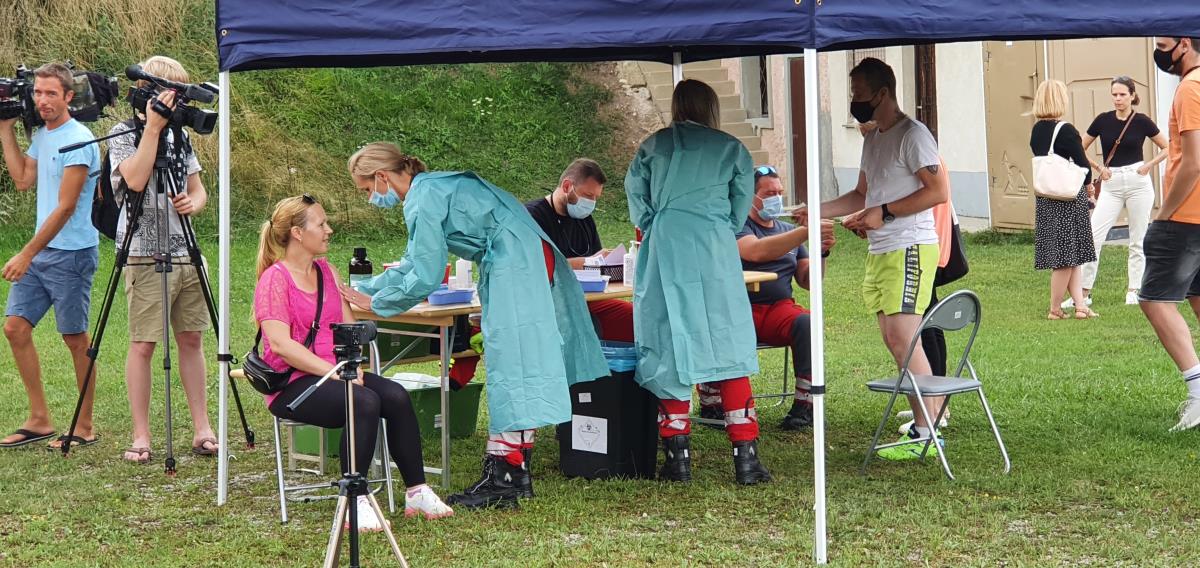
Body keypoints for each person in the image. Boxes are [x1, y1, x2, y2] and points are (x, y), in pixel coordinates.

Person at [339, 143, 608, 509]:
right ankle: (515, 473)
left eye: (367, 188)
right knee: (519, 360)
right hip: (522, 253)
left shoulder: (422, 199)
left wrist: (378, 304)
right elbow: (413, 262)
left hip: (515, 260)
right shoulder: (431, 187)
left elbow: (427, 273)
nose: (370, 197)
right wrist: (366, 288)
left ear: (382, 176)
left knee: (512, 363)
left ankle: (504, 479)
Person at [255, 195, 453, 527]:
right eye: (321, 224)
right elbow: (281, 345)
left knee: (395, 395)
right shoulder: (275, 280)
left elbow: (349, 329)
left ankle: (417, 492)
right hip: (292, 385)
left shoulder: (327, 272)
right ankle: (353, 499)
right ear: (298, 233)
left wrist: (354, 365)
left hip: (336, 373)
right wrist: (336, 373)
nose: (329, 229)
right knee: (362, 400)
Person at [625, 79, 772, 485]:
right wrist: (713, 224)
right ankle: (746, 458)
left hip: (665, 249)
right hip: (713, 250)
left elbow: (638, 204)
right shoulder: (731, 148)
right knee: (728, 343)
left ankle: (678, 459)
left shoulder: (653, 146)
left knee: (667, 344)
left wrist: (661, 224)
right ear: (711, 107)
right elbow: (739, 209)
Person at [815, 58, 949, 462]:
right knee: (895, 340)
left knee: (905, 339)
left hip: (910, 247)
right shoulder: (873, 137)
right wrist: (816, 208)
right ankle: (926, 422)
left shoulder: (914, 134)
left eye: (858, 93)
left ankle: (928, 431)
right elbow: (862, 194)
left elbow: (937, 192)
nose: (854, 100)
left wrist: (884, 212)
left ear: (882, 93)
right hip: (881, 250)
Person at [107, 56, 217, 463]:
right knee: (144, 343)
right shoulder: (123, 133)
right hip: (143, 252)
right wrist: (152, 129)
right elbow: (135, 179)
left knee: (192, 338)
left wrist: (194, 202)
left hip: (185, 249)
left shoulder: (180, 136)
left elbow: (199, 189)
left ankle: (202, 427)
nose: (178, 104)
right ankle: (141, 435)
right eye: (172, 95)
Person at [0, 63, 101, 449]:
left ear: (68, 96)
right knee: (15, 328)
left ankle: (85, 425)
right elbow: (23, 180)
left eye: (51, 94)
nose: (42, 100)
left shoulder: (80, 139)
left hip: (71, 254)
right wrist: (5, 130)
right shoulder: (43, 135)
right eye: (38, 93)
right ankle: (39, 419)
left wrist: (26, 254)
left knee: (74, 338)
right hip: (43, 252)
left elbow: (65, 207)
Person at [696, 165, 836, 432]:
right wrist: (806, 231)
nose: (777, 199)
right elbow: (756, 251)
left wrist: (821, 252)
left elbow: (808, 281)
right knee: (721, 326)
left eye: (780, 193)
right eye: (769, 193)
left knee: (808, 323)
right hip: (738, 308)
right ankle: (713, 400)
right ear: (750, 197)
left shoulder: (787, 230)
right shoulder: (734, 226)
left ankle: (805, 405)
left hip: (778, 309)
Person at [1139, 37, 1200, 432]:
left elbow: (1193, 163)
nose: (1159, 52)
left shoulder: (1190, 87)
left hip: (1185, 217)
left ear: (1185, 44)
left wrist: (1164, 214)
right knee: (1196, 296)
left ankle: (1198, 391)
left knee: (1155, 301)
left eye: (1163, 44)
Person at [1072, 76, 1169, 308]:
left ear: (1132, 96)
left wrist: (1149, 165)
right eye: (1114, 94)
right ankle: (1083, 293)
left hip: (1138, 181)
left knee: (1137, 238)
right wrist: (1098, 168)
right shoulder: (1103, 120)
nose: (1118, 99)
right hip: (1111, 182)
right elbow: (1079, 147)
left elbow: (1168, 147)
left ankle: (1134, 290)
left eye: (1122, 94)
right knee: (1094, 236)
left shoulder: (1142, 121)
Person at [525, 158, 634, 342]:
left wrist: (607, 262)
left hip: (588, 299)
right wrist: (587, 262)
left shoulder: (584, 219)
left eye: (596, 198)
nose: (591, 203)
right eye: (588, 195)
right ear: (567, 186)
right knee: (589, 327)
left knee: (639, 320)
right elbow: (533, 268)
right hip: (549, 304)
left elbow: (597, 266)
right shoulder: (532, 217)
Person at [1029, 79, 1098, 321]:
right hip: (1068, 197)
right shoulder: (1066, 129)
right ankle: (1055, 308)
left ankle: (1080, 305)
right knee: (1065, 258)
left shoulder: (1037, 130)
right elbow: (1082, 163)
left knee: (1072, 254)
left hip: (1047, 197)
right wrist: (1090, 187)